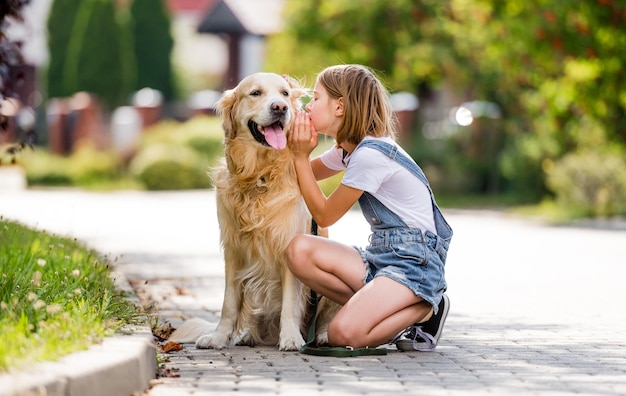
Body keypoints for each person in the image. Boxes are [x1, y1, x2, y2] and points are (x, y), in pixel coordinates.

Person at [286, 64, 453, 351]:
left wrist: (301, 157)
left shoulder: (371, 155)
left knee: (344, 334)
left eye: (315, 99)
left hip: (414, 263)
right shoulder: (349, 150)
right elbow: (298, 175)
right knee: (299, 251)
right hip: (382, 257)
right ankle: (380, 308)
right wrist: (289, 129)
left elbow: (325, 214)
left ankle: (427, 307)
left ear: (339, 106)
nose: (309, 106)